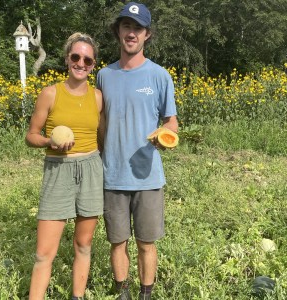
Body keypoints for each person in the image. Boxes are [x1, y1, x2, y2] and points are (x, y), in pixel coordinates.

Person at [96, 2, 178, 300]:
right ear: (118, 31)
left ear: (147, 35)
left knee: (146, 242)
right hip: (112, 175)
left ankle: (146, 294)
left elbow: (171, 121)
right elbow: (100, 122)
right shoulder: (104, 75)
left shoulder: (159, 76)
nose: (131, 33)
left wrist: (165, 136)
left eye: (138, 28)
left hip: (147, 177)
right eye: (126, 26)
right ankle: (123, 293)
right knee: (117, 242)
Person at [25, 32, 104, 300]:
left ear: (93, 64)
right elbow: (31, 136)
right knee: (44, 252)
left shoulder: (97, 97)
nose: (81, 63)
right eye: (76, 57)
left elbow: (102, 138)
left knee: (83, 244)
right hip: (58, 170)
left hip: (91, 169)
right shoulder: (50, 93)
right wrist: (49, 141)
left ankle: (77, 296)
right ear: (67, 59)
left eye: (88, 59)